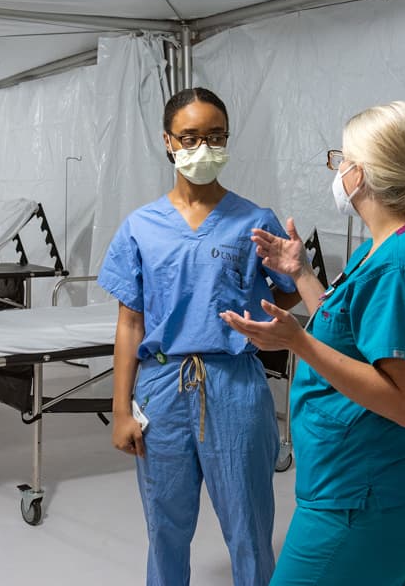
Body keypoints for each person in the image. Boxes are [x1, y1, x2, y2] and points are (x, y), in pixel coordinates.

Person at [220, 101, 405, 586]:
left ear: (358, 174)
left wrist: (296, 341)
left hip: (368, 495)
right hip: (372, 483)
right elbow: (351, 335)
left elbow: (403, 402)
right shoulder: (380, 249)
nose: (337, 168)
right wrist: (300, 274)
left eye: (339, 159)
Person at [97, 87, 300, 585]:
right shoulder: (141, 226)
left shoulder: (254, 221)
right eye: (190, 137)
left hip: (235, 384)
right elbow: (130, 322)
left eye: (215, 136)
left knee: (250, 527)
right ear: (168, 141)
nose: (202, 148)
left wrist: (261, 316)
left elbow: (292, 290)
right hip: (162, 389)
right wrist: (121, 410)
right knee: (165, 528)